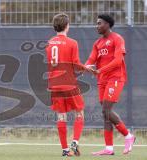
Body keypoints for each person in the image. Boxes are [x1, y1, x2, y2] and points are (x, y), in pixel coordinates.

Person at [85, 14, 135, 155]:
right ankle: (109, 148)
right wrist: (83, 67)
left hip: (116, 78)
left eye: (99, 23)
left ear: (107, 24)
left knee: (106, 109)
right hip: (102, 80)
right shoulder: (97, 43)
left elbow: (118, 61)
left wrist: (100, 70)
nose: (97, 25)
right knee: (105, 113)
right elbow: (91, 60)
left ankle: (128, 136)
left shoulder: (117, 39)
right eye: (96, 23)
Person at [46, 13, 93, 157]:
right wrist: (87, 68)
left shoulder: (49, 43)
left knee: (61, 117)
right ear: (67, 26)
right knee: (79, 112)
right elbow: (75, 64)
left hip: (54, 85)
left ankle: (65, 150)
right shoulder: (72, 42)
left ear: (55, 27)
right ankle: (75, 142)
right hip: (69, 84)